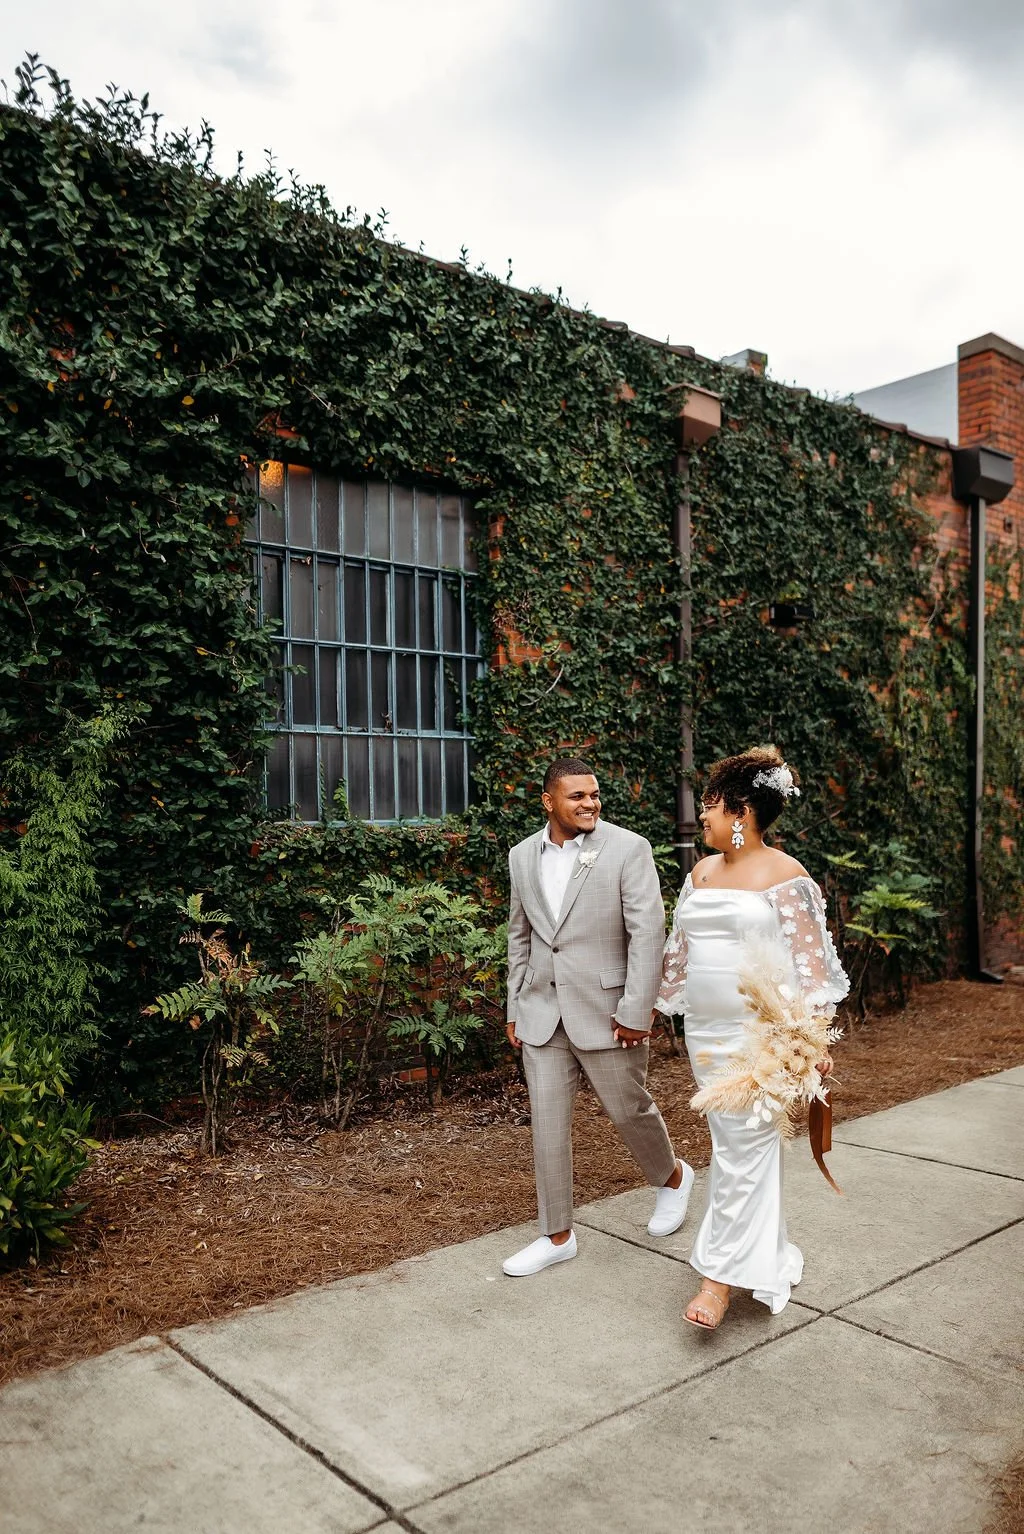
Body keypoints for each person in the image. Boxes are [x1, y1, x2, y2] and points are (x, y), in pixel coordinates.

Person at [654, 745, 849, 1328]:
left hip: (760, 1040)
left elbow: (812, 971)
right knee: (738, 1150)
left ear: (740, 810)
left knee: (742, 1151)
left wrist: (810, 1046)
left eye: (710, 806)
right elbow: (681, 952)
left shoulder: (787, 878)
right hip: (705, 1037)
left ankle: (716, 1281)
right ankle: (764, 1255)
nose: (702, 818)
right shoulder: (703, 872)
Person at [502, 757, 695, 1277]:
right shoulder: (522, 856)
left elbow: (647, 933)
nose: (590, 804)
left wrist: (637, 1008)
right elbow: (519, 937)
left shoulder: (629, 848)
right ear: (549, 802)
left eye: (594, 795)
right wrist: (515, 1005)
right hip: (542, 1013)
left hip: (609, 1013)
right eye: (577, 797)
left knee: (629, 1110)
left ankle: (673, 1179)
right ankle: (556, 1233)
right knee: (547, 1126)